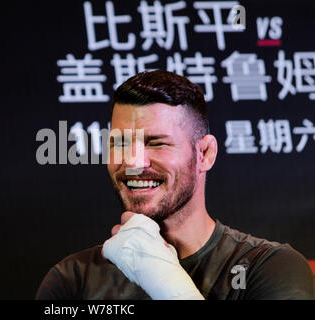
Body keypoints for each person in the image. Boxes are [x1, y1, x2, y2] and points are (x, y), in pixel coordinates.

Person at [36, 70, 315, 300]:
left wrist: (164, 280)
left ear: (204, 154)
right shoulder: (74, 279)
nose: (133, 162)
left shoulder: (268, 268)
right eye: (119, 143)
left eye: (156, 143)